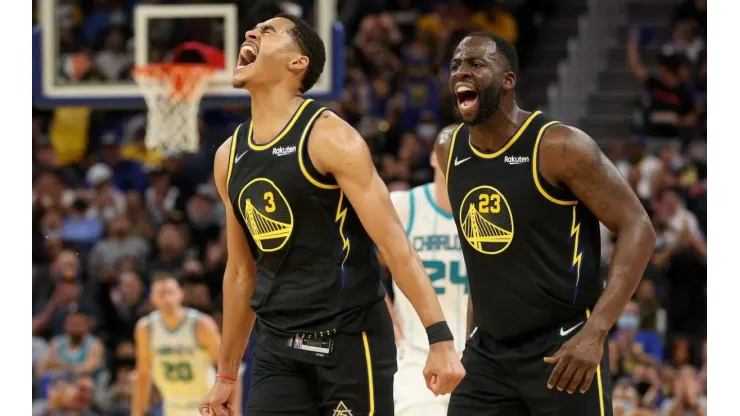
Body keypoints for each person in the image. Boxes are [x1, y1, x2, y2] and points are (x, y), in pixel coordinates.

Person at [201, 14, 464, 416]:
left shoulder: (331, 137)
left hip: (348, 338)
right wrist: (225, 374)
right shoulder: (228, 156)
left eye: (268, 31)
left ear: (297, 62)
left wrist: (440, 339)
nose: (252, 32)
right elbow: (240, 272)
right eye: (254, 30)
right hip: (277, 346)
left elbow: (394, 245)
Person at [435, 32, 656, 415]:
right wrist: (472, 334)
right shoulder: (448, 147)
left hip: (563, 348)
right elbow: (488, 259)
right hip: (487, 354)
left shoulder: (559, 147)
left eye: (475, 64)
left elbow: (638, 227)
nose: (461, 72)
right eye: (455, 65)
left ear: (508, 80)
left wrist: (596, 332)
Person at [387, 129, 469, 416]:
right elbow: (357, 260)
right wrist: (391, 323)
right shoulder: (403, 205)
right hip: (419, 360)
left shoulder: (490, 213)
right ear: (434, 157)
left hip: (478, 361)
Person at [132, 273, 238, 416]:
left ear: (181, 294)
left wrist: (234, 410)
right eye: (161, 294)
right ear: (152, 298)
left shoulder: (201, 325)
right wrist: (138, 412)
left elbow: (228, 370)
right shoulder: (146, 329)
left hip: (205, 407)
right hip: (171, 407)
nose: (167, 298)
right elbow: (143, 375)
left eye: (170, 292)